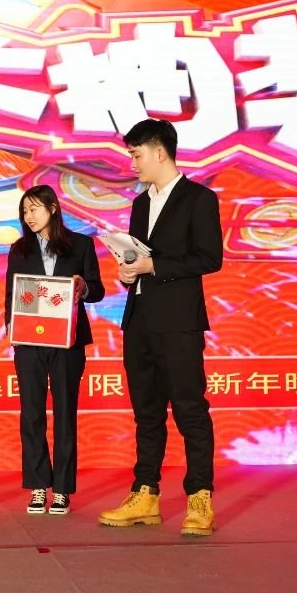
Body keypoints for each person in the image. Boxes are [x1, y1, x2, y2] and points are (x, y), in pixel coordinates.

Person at [98, 118, 223, 537]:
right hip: (139, 320)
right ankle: (145, 493)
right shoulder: (140, 204)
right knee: (146, 412)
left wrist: (155, 266)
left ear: (159, 151)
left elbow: (209, 257)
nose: (132, 163)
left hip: (179, 322)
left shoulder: (198, 199)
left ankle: (200, 497)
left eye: (136, 155)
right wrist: (128, 273)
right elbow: (138, 258)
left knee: (190, 410)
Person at [4, 184, 104, 516]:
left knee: (64, 413)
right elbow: (11, 292)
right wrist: (11, 327)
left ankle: (61, 488)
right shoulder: (19, 249)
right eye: (24, 211)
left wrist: (83, 287)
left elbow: (98, 290)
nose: (28, 216)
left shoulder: (81, 245)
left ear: (53, 208)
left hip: (68, 341)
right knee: (31, 414)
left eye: (33, 209)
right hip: (29, 342)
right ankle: (37, 485)